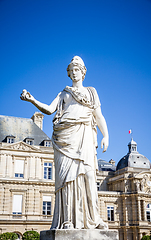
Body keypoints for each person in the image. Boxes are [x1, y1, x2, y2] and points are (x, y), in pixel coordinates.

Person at [20, 56, 109, 230]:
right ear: (69, 73)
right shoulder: (64, 93)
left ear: (83, 72)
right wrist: (32, 100)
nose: (75, 73)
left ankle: (95, 219)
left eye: (78, 69)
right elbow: (49, 109)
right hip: (65, 139)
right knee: (67, 180)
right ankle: (68, 220)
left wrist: (106, 135)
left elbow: (98, 116)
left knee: (90, 177)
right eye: (72, 70)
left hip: (84, 134)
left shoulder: (91, 92)